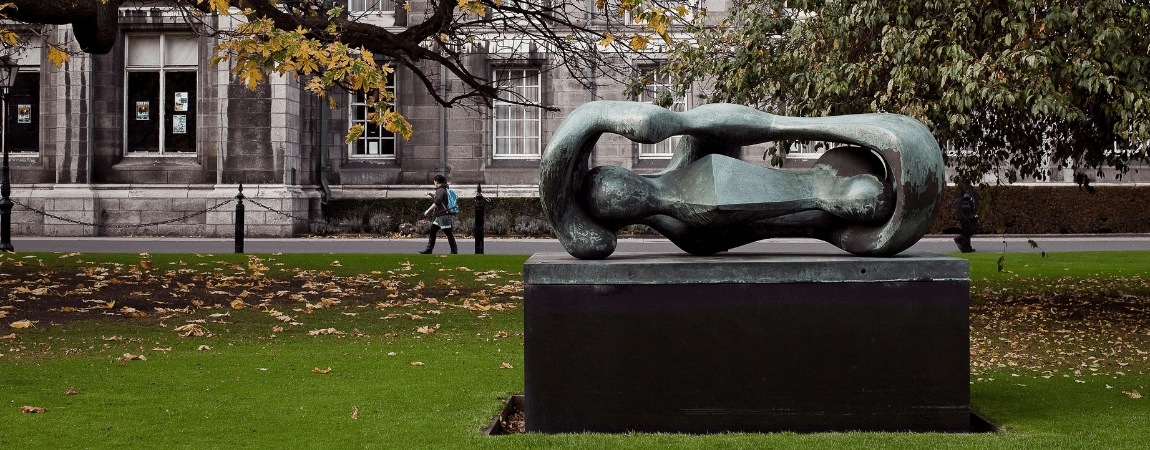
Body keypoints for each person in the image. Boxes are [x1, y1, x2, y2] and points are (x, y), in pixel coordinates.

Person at [420, 174, 458, 254]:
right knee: (433, 230)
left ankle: (454, 251)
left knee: (448, 233)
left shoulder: (440, 190)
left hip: (443, 215)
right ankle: (429, 249)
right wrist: (430, 194)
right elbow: (438, 199)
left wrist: (428, 210)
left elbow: (437, 202)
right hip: (441, 215)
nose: (434, 183)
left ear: (437, 182)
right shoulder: (444, 189)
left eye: (434, 181)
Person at [953, 186, 979, 253]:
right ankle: (964, 244)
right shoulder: (962, 185)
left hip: (969, 211)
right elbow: (960, 199)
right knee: (968, 229)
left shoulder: (969, 185)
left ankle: (966, 246)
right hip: (965, 212)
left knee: (969, 229)